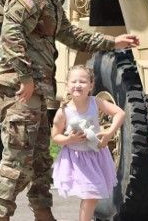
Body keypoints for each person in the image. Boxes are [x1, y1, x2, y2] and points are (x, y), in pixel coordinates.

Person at [0, 0, 140, 221]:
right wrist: (25, 77)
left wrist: (113, 42)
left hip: (37, 92)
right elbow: (10, 36)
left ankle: (44, 215)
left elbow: (72, 35)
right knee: (17, 160)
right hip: (20, 90)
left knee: (40, 161)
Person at [51, 65, 123, 221]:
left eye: (83, 82)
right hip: (76, 159)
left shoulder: (95, 102)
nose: (78, 85)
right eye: (74, 81)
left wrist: (110, 132)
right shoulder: (64, 111)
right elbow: (55, 136)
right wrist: (69, 139)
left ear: (91, 85)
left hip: (96, 156)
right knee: (91, 195)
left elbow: (120, 113)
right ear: (67, 85)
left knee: (93, 196)